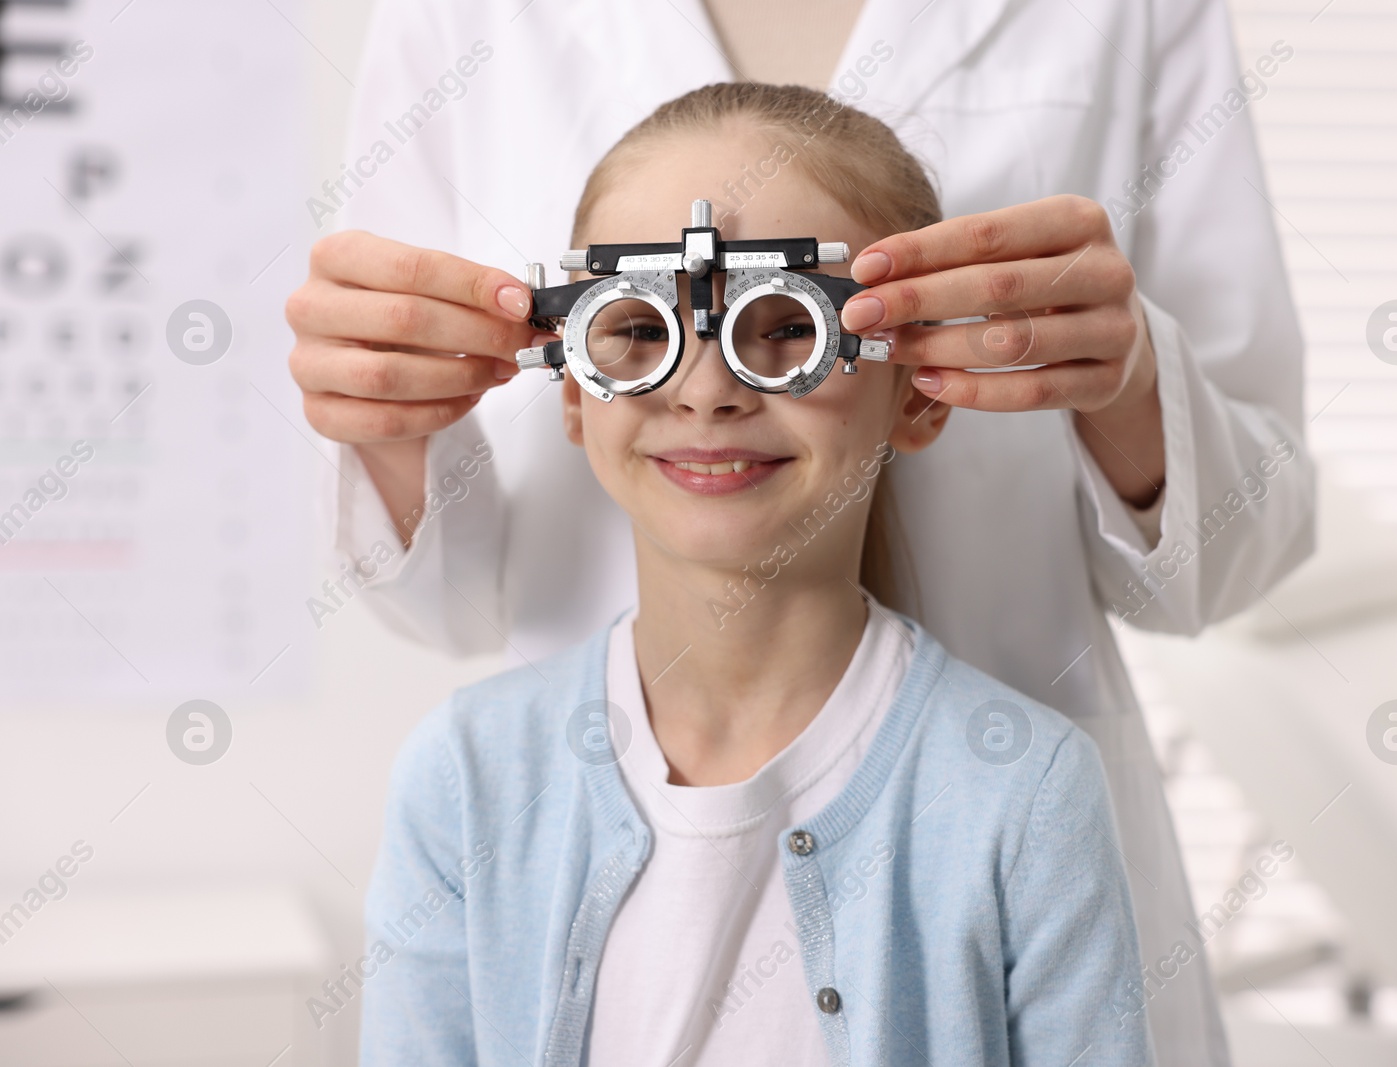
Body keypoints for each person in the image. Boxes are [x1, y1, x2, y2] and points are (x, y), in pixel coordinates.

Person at [288, 2, 1314, 1062]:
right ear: (574, 385)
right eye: (636, 330)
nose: (708, 387)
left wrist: (1136, 380)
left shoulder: (1029, 789)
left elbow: (1238, 546)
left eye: (785, 326)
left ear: (918, 390)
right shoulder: (467, 776)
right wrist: (387, 416)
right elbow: (435, 584)